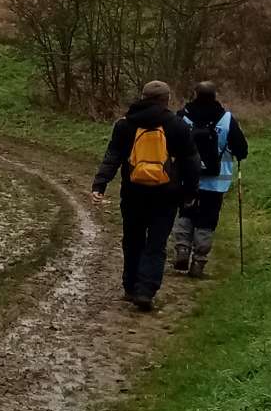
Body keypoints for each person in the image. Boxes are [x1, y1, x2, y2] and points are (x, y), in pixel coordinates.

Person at [92, 80, 203, 313]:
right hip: (167, 195)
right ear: (167, 100)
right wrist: (190, 192)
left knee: (133, 240)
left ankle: (131, 286)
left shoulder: (125, 124)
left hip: (133, 193)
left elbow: (112, 156)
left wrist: (100, 184)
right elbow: (191, 161)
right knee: (156, 243)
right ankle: (146, 291)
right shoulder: (177, 126)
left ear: (142, 97)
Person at [174, 82, 249, 279]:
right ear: (215, 95)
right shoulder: (226, 119)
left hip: (187, 178)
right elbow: (242, 150)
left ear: (195, 94)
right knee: (206, 220)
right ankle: (198, 262)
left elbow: (170, 143)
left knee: (186, 213)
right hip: (216, 183)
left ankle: (182, 249)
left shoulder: (182, 116)